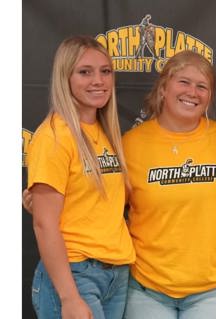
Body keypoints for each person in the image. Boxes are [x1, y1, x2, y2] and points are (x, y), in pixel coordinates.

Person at [121, 50, 216, 319]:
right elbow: (103, 203)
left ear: (209, 97)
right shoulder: (131, 145)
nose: (192, 92)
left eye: (202, 86)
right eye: (184, 82)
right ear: (163, 89)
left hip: (215, 288)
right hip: (147, 287)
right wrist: (43, 199)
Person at [26, 35, 135, 319]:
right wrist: (69, 297)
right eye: (85, 72)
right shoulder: (54, 136)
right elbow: (44, 223)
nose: (98, 80)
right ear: (65, 78)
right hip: (75, 274)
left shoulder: (104, 132)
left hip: (115, 273)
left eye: (105, 71)